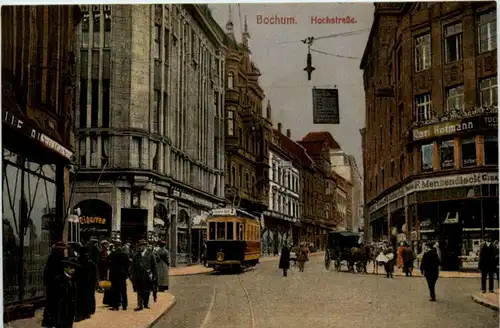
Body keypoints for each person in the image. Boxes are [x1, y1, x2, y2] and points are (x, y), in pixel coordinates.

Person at [42, 242, 67, 328]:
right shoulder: (60, 259)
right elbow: (65, 271)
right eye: (63, 250)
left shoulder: (51, 257)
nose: (64, 251)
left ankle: (49, 319)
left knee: (51, 301)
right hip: (57, 284)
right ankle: (55, 320)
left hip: (52, 283)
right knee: (56, 302)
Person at [52, 257, 80, 328]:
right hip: (62, 308)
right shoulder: (60, 279)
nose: (74, 271)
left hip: (69, 309)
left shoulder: (71, 280)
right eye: (72, 268)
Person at [72, 243, 97, 321]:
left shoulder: (78, 261)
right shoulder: (90, 262)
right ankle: (86, 313)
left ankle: (81, 313)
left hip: (81, 282)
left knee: (80, 298)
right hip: (88, 283)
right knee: (87, 297)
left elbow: (74, 272)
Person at [131, 239, 157, 311]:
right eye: (139, 246)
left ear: (145, 246)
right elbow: (133, 266)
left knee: (147, 290)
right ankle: (140, 305)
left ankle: (145, 304)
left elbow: (154, 266)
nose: (140, 247)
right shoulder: (136, 255)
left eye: (141, 246)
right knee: (139, 290)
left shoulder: (150, 254)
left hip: (147, 275)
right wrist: (133, 275)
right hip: (139, 275)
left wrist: (154, 275)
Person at [108, 240, 130, 311]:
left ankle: (116, 306)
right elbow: (128, 264)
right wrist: (126, 273)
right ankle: (124, 305)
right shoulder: (124, 254)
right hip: (122, 275)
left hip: (114, 274)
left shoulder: (113, 254)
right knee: (123, 290)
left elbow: (107, 262)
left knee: (115, 291)